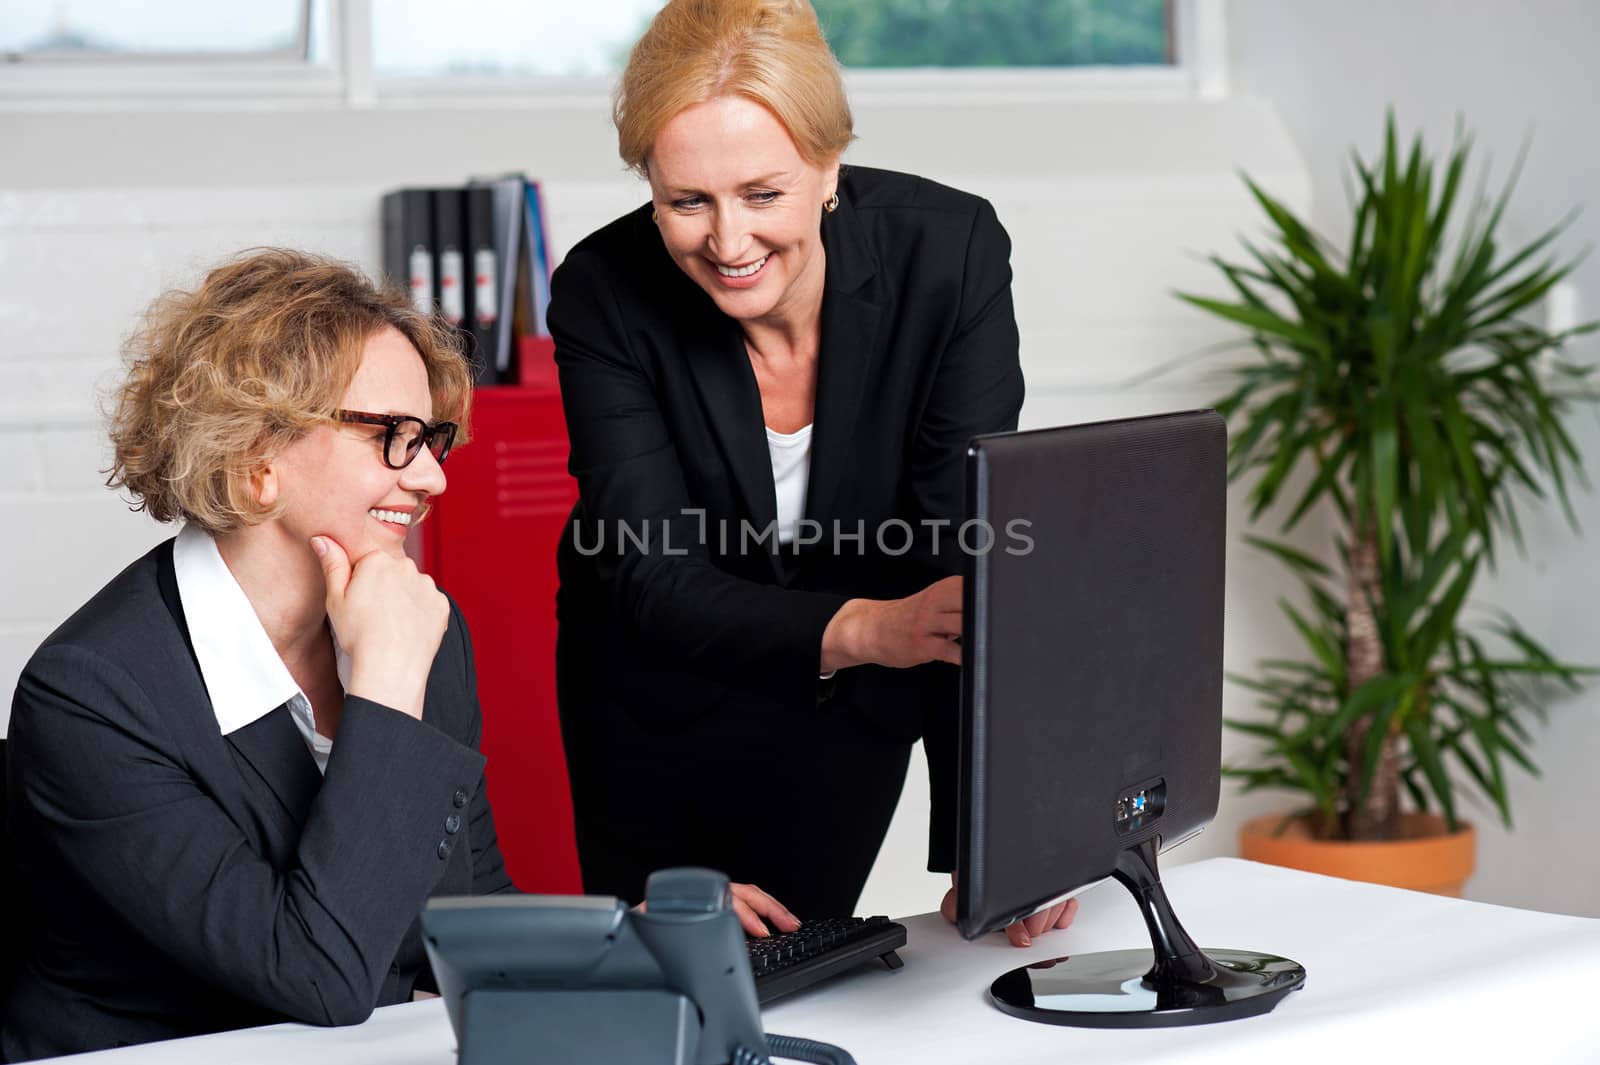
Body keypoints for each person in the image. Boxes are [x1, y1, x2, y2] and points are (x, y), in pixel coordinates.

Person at [0, 249, 795, 1061]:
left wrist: (630, 940)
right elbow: (318, 976)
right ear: (255, 455)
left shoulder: (422, 630)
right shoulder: (93, 696)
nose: (433, 480)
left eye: (432, 439)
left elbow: (474, 909)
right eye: (393, 437)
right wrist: (385, 686)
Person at [549, 0, 1075, 945]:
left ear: (829, 168)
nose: (728, 241)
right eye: (686, 201)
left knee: (811, 968)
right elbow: (652, 571)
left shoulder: (947, 257)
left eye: (762, 193)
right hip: (659, 701)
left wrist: (996, 845)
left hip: (860, 700)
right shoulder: (603, 289)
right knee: (676, 988)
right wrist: (871, 626)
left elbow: (963, 554)